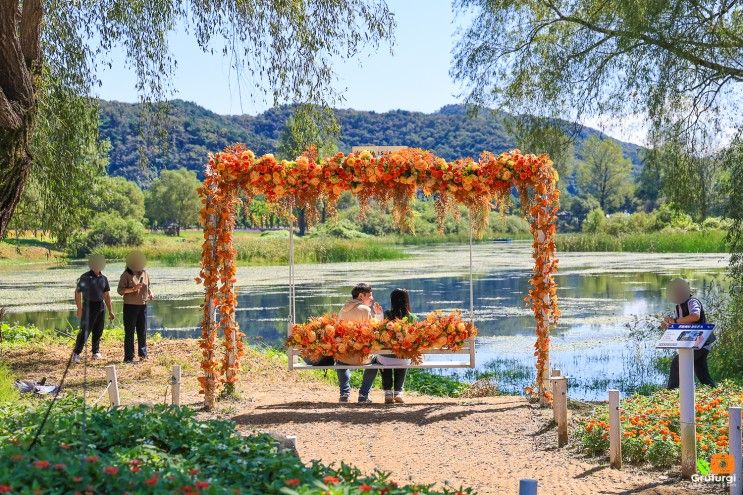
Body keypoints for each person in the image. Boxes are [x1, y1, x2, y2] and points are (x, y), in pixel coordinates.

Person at [662, 278, 716, 389]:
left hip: (701, 342)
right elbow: (681, 326)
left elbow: (695, 316)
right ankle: (714, 391)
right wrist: (668, 325)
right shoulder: (678, 306)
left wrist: (675, 321)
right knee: (702, 373)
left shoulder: (692, 301)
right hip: (692, 343)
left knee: (677, 362)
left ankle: (670, 391)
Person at [336, 283, 383, 403]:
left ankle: (344, 393)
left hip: (344, 355)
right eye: (370, 295)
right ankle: (363, 394)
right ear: (361, 296)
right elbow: (373, 332)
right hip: (361, 356)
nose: (372, 298)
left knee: (340, 360)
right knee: (375, 361)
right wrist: (378, 315)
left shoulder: (342, 309)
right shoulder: (365, 310)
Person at [72, 254, 115, 364]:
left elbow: (107, 295)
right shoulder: (85, 277)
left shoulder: (104, 279)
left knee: (98, 330)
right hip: (88, 306)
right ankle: (76, 353)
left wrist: (110, 311)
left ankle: (95, 352)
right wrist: (79, 308)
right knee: (84, 331)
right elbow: (77, 292)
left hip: (100, 306)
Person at [379, 288, 417, 404]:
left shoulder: (386, 314)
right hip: (403, 360)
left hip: (386, 359)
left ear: (392, 301)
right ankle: (398, 392)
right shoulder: (413, 317)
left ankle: (388, 392)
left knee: (383, 359)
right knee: (403, 357)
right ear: (407, 300)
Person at [118, 251, 154, 363]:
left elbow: (148, 287)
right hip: (130, 307)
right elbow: (120, 291)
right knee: (129, 332)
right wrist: (133, 289)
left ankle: (143, 355)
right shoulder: (126, 275)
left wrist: (151, 293)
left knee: (142, 331)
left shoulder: (145, 273)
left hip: (143, 306)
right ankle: (128, 357)